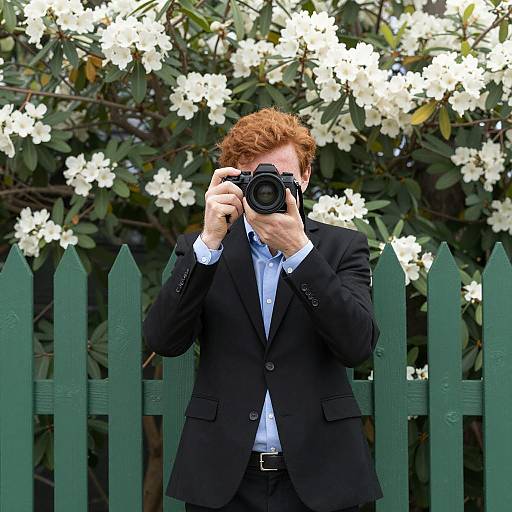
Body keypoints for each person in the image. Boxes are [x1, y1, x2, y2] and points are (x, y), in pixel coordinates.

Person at [143, 106, 383, 512]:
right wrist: (208, 242)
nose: (269, 188)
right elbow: (164, 340)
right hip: (222, 478)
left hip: (322, 473)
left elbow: (357, 345)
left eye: (281, 177)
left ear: (304, 177)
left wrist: (298, 251)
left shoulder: (342, 248)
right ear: (232, 181)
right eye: (255, 178)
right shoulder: (203, 251)